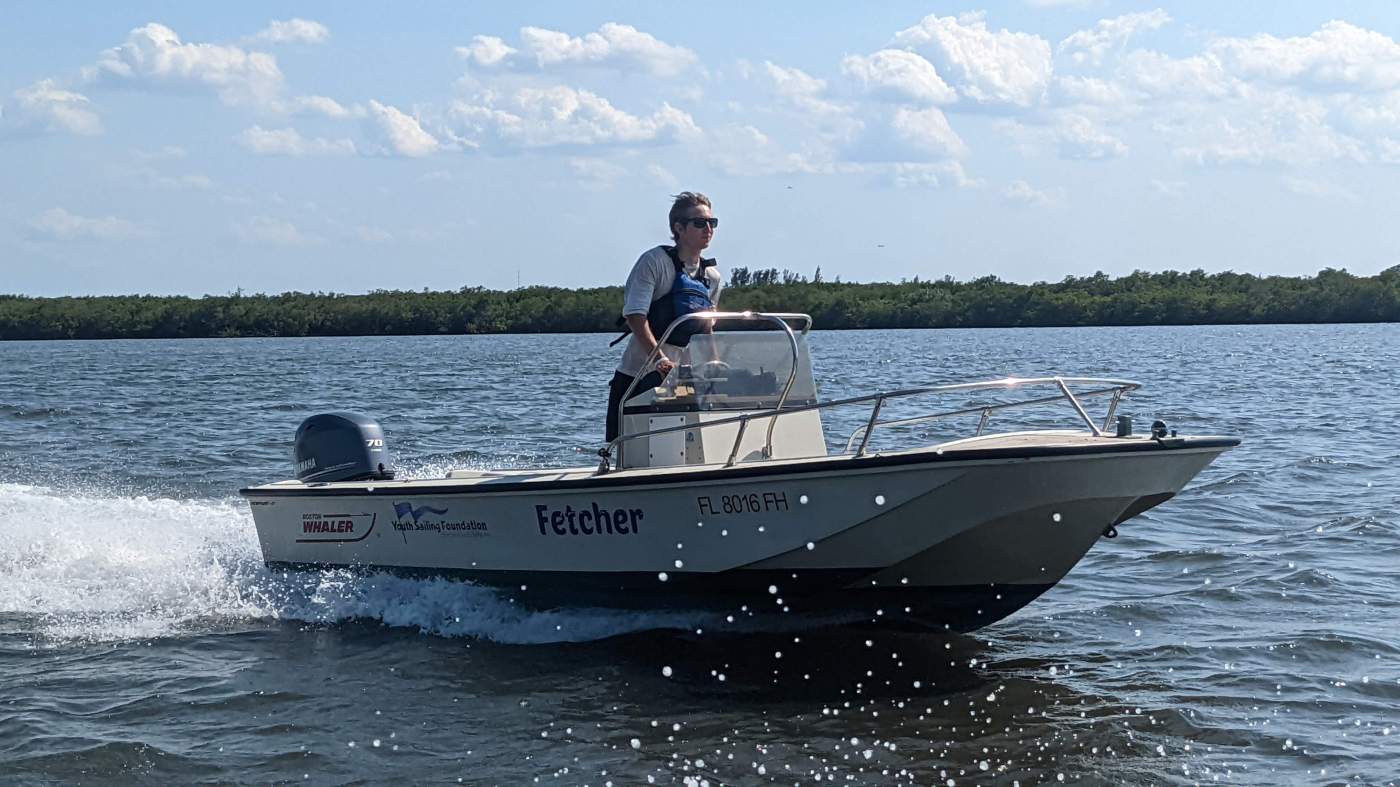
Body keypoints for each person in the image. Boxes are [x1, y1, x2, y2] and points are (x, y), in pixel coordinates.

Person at [605, 191, 724, 444]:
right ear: (678, 228)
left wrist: (714, 363)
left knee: (685, 446)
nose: (708, 229)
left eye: (711, 223)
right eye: (699, 223)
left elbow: (707, 328)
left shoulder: (712, 277)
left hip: (686, 378)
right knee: (629, 448)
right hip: (640, 375)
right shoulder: (654, 262)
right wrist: (659, 359)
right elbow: (635, 315)